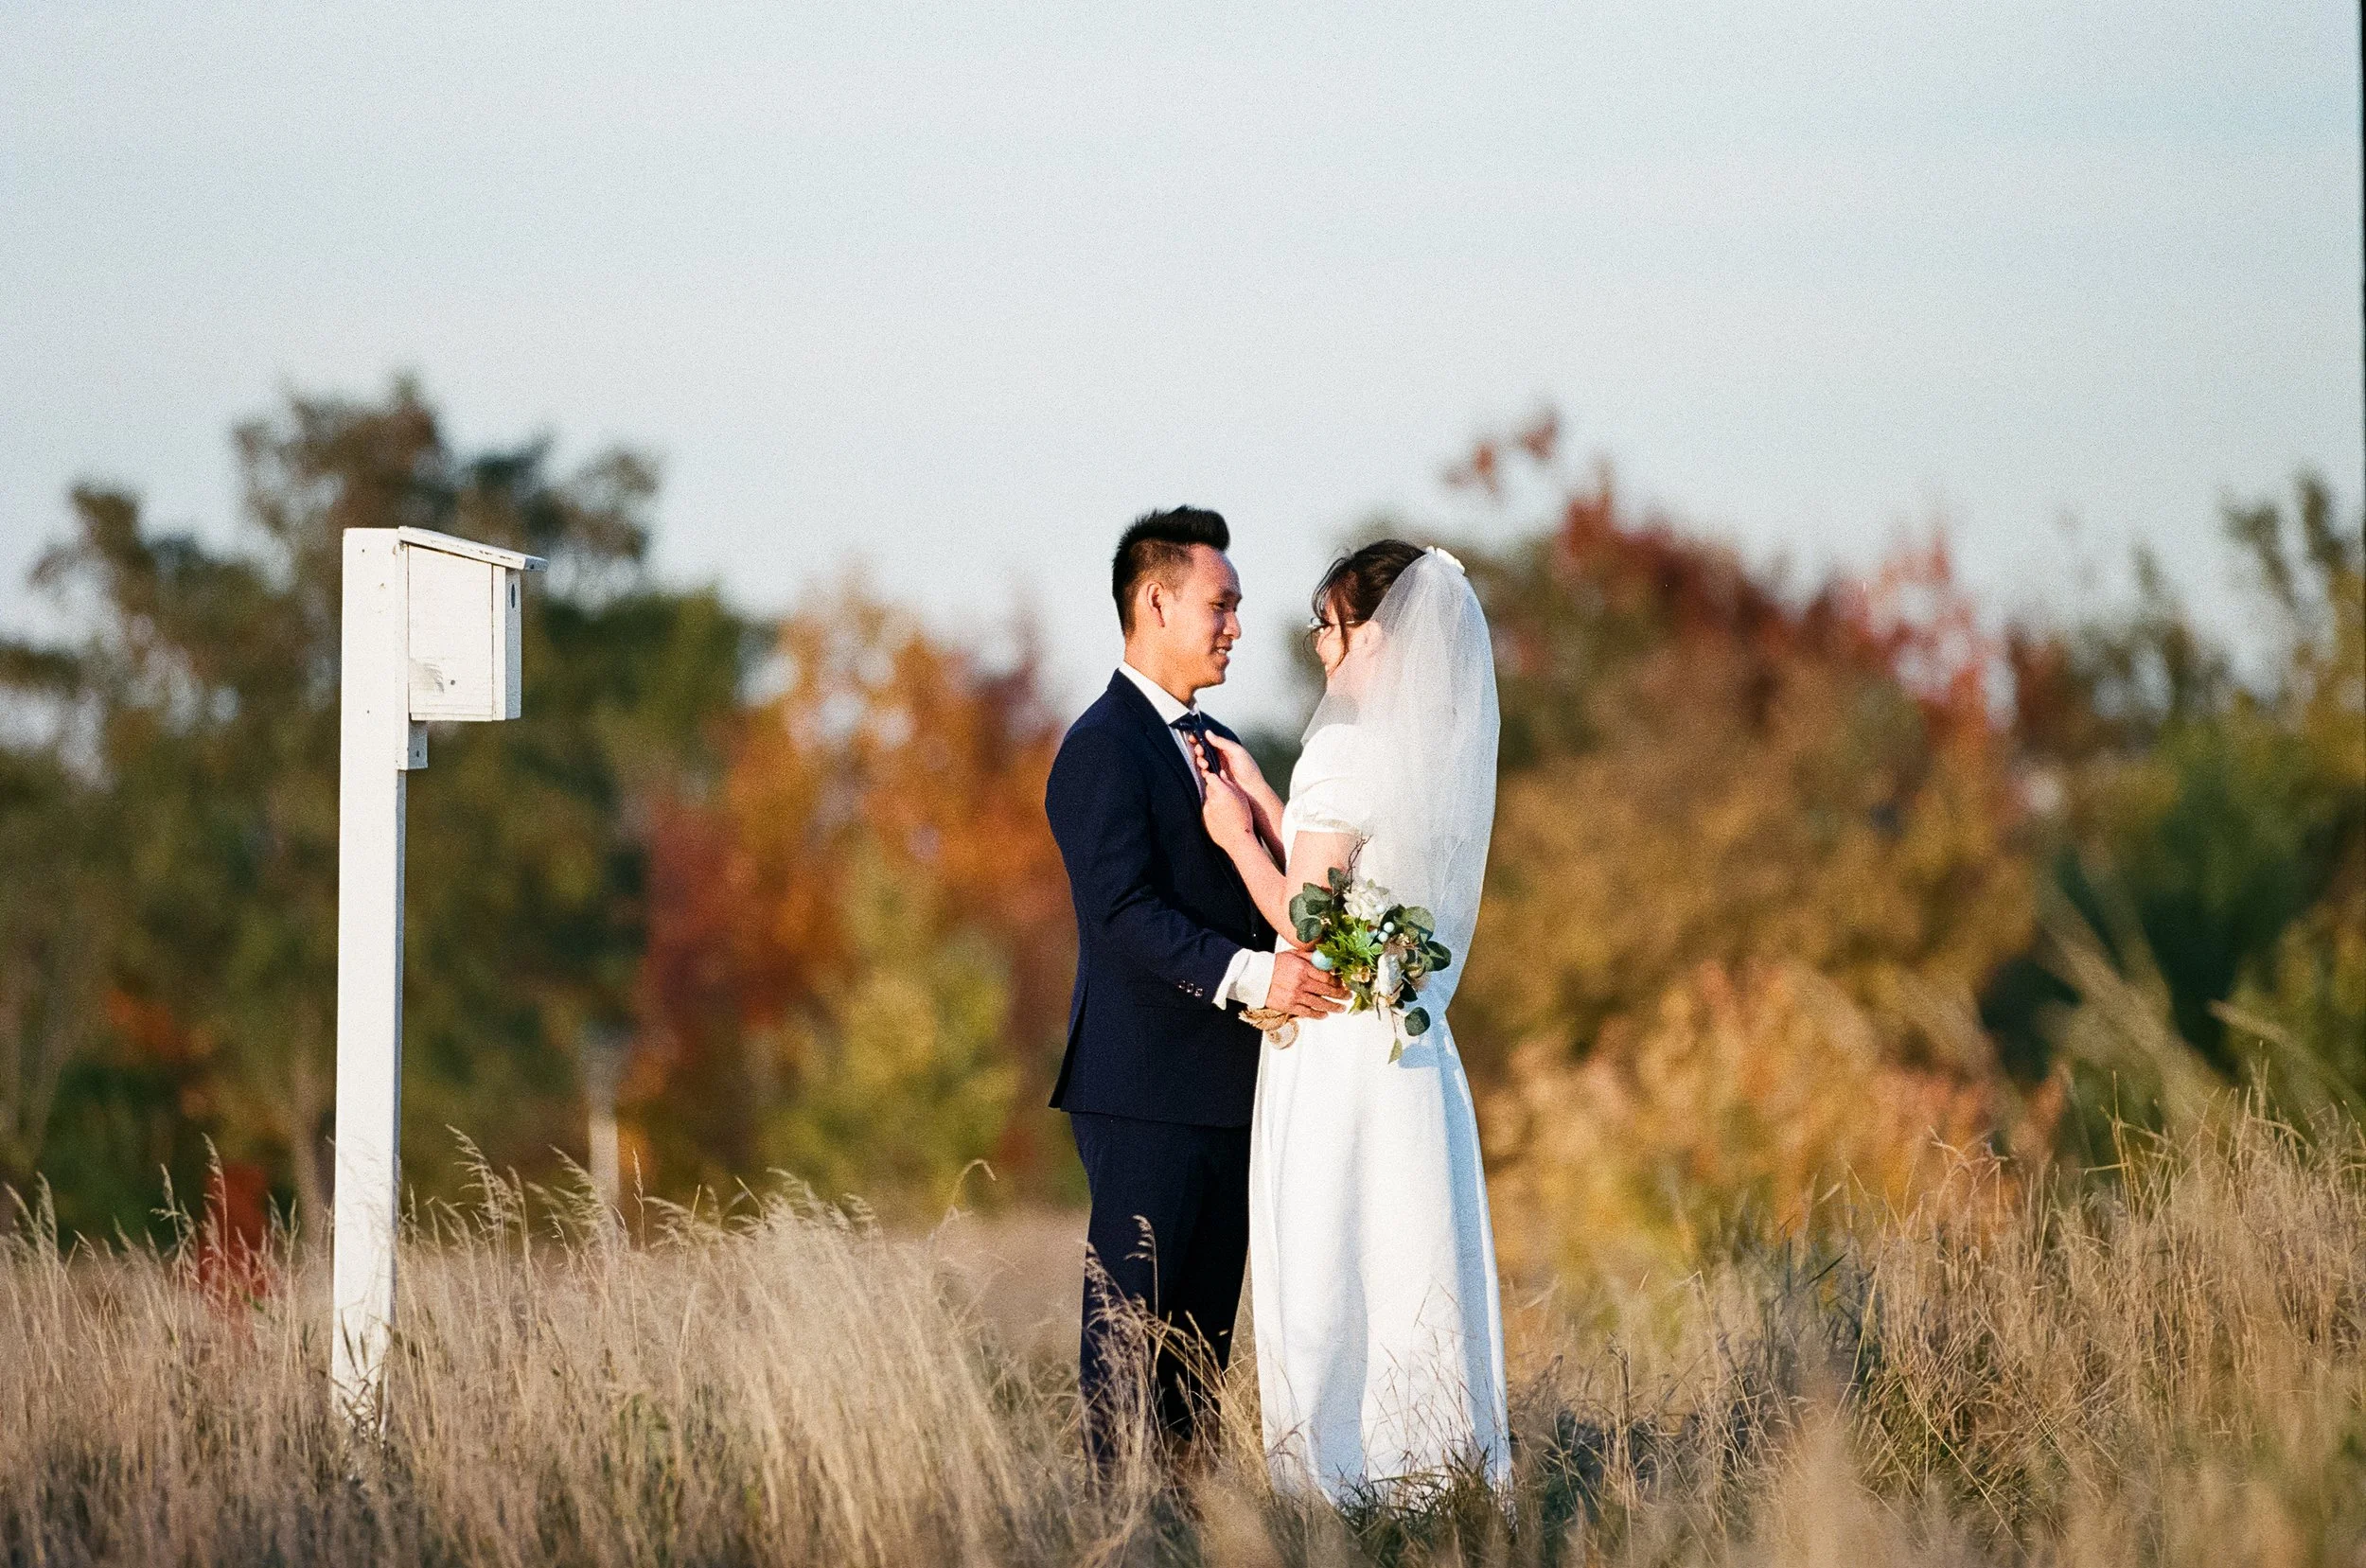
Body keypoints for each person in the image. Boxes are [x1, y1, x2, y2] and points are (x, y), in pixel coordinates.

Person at [1192, 538, 1510, 1499]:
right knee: (1411, 1257)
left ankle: (1334, 1484)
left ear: (1374, 632)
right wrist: (1265, 792)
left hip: (1331, 1045)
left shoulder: (1339, 747)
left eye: (1329, 626)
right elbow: (1369, 886)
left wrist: (1239, 836)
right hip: (1412, 1053)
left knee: (1329, 1256)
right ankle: (1432, 1476)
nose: (1319, 647)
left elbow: (1307, 916)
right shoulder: (1438, 760)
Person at [1042, 506, 1349, 1465]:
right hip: (1140, 1094)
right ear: (1156, 600)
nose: (1236, 627)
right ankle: (1117, 1532)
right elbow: (1123, 911)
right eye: (1221, 606)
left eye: (1238, 608)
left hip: (1235, 1091)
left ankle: (1181, 1529)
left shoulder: (1223, 744)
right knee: (1131, 1349)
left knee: (1198, 1362)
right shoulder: (1099, 747)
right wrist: (1259, 973)